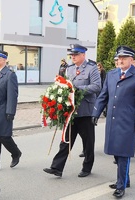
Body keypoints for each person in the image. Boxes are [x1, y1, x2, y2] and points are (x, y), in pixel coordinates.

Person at [91, 46, 135, 198]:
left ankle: (121, 185)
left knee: (123, 154)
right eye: (119, 58)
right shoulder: (111, 74)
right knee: (116, 152)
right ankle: (125, 180)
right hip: (112, 121)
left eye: (124, 58)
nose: (120, 60)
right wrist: (95, 113)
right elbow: (103, 96)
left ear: (131, 59)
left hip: (128, 122)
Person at [43, 44, 101, 178]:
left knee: (88, 142)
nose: (73, 57)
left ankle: (87, 167)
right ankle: (57, 167)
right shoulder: (69, 69)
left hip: (85, 111)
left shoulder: (92, 68)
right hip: (71, 112)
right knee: (66, 141)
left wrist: (78, 90)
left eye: (75, 55)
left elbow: (97, 87)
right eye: (72, 55)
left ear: (83, 55)